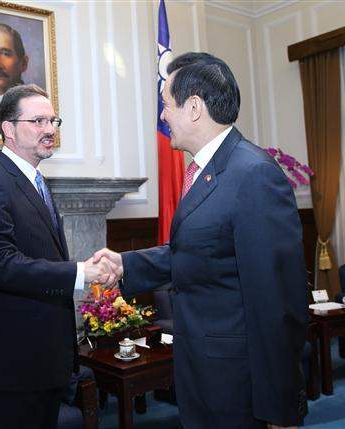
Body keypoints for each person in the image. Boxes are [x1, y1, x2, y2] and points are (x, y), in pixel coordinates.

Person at [94, 52, 308, 429]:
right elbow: (197, 251)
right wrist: (126, 264)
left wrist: (280, 406)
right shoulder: (208, 170)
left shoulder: (253, 174)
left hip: (239, 386)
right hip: (203, 372)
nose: (163, 116)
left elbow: (276, 299)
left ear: (193, 108)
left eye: (166, 105)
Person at [0, 84, 116, 429]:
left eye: (53, 121)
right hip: (10, 366)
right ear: (9, 128)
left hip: (45, 361)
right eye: (38, 121)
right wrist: (79, 273)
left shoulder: (34, 181)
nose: (50, 130)